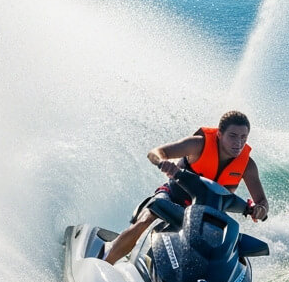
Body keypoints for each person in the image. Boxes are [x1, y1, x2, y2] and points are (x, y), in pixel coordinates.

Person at [102, 110, 269, 263]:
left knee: (223, 252)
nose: (238, 142)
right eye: (233, 136)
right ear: (219, 134)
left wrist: (260, 209)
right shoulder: (198, 145)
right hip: (172, 198)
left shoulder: (247, 166)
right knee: (146, 219)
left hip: (204, 217)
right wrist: (163, 162)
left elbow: (262, 202)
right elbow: (155, 152)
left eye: (243, 137)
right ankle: (106, 262)